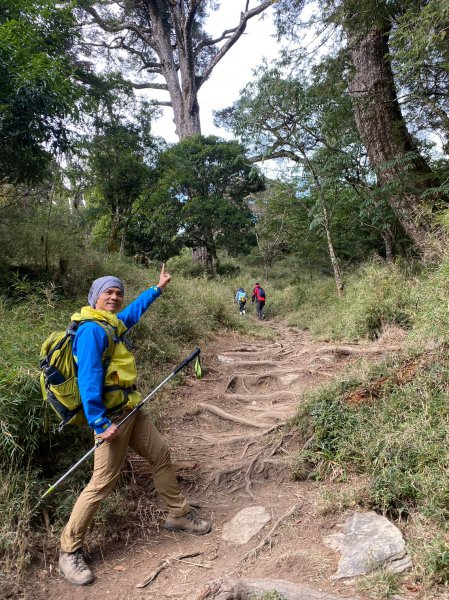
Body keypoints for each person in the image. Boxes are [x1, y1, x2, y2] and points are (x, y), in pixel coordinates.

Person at [58, 265, 211, 586]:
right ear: (94, 298)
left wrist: (157, 289)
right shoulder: (91, 331)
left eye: (117, 293)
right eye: (108, 293)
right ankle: (69, 549)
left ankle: (178, 515)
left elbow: (132, 313)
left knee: (160, 453)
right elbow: (88, 379)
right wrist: (99, 422)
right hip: (111, 419)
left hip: (132, 411)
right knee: (102, 483)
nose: (114, 297)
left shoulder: (111, 325)